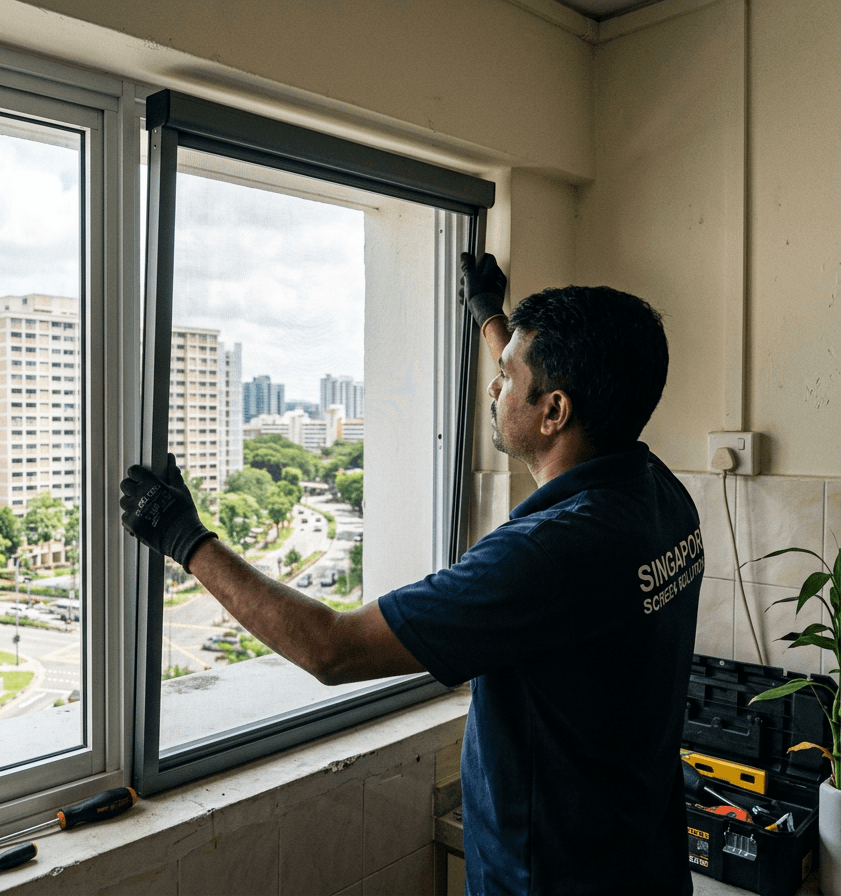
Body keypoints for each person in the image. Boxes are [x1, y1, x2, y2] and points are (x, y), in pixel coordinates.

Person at [120, 254, 702, 895]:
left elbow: (333, 648)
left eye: (506, 377)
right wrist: (489, 318)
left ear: (555, 411)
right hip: (642, 859)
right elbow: (536, 384)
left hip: (552, 877)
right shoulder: (658, 494)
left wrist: (184, 537)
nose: (494, 386)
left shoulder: (548, 555)